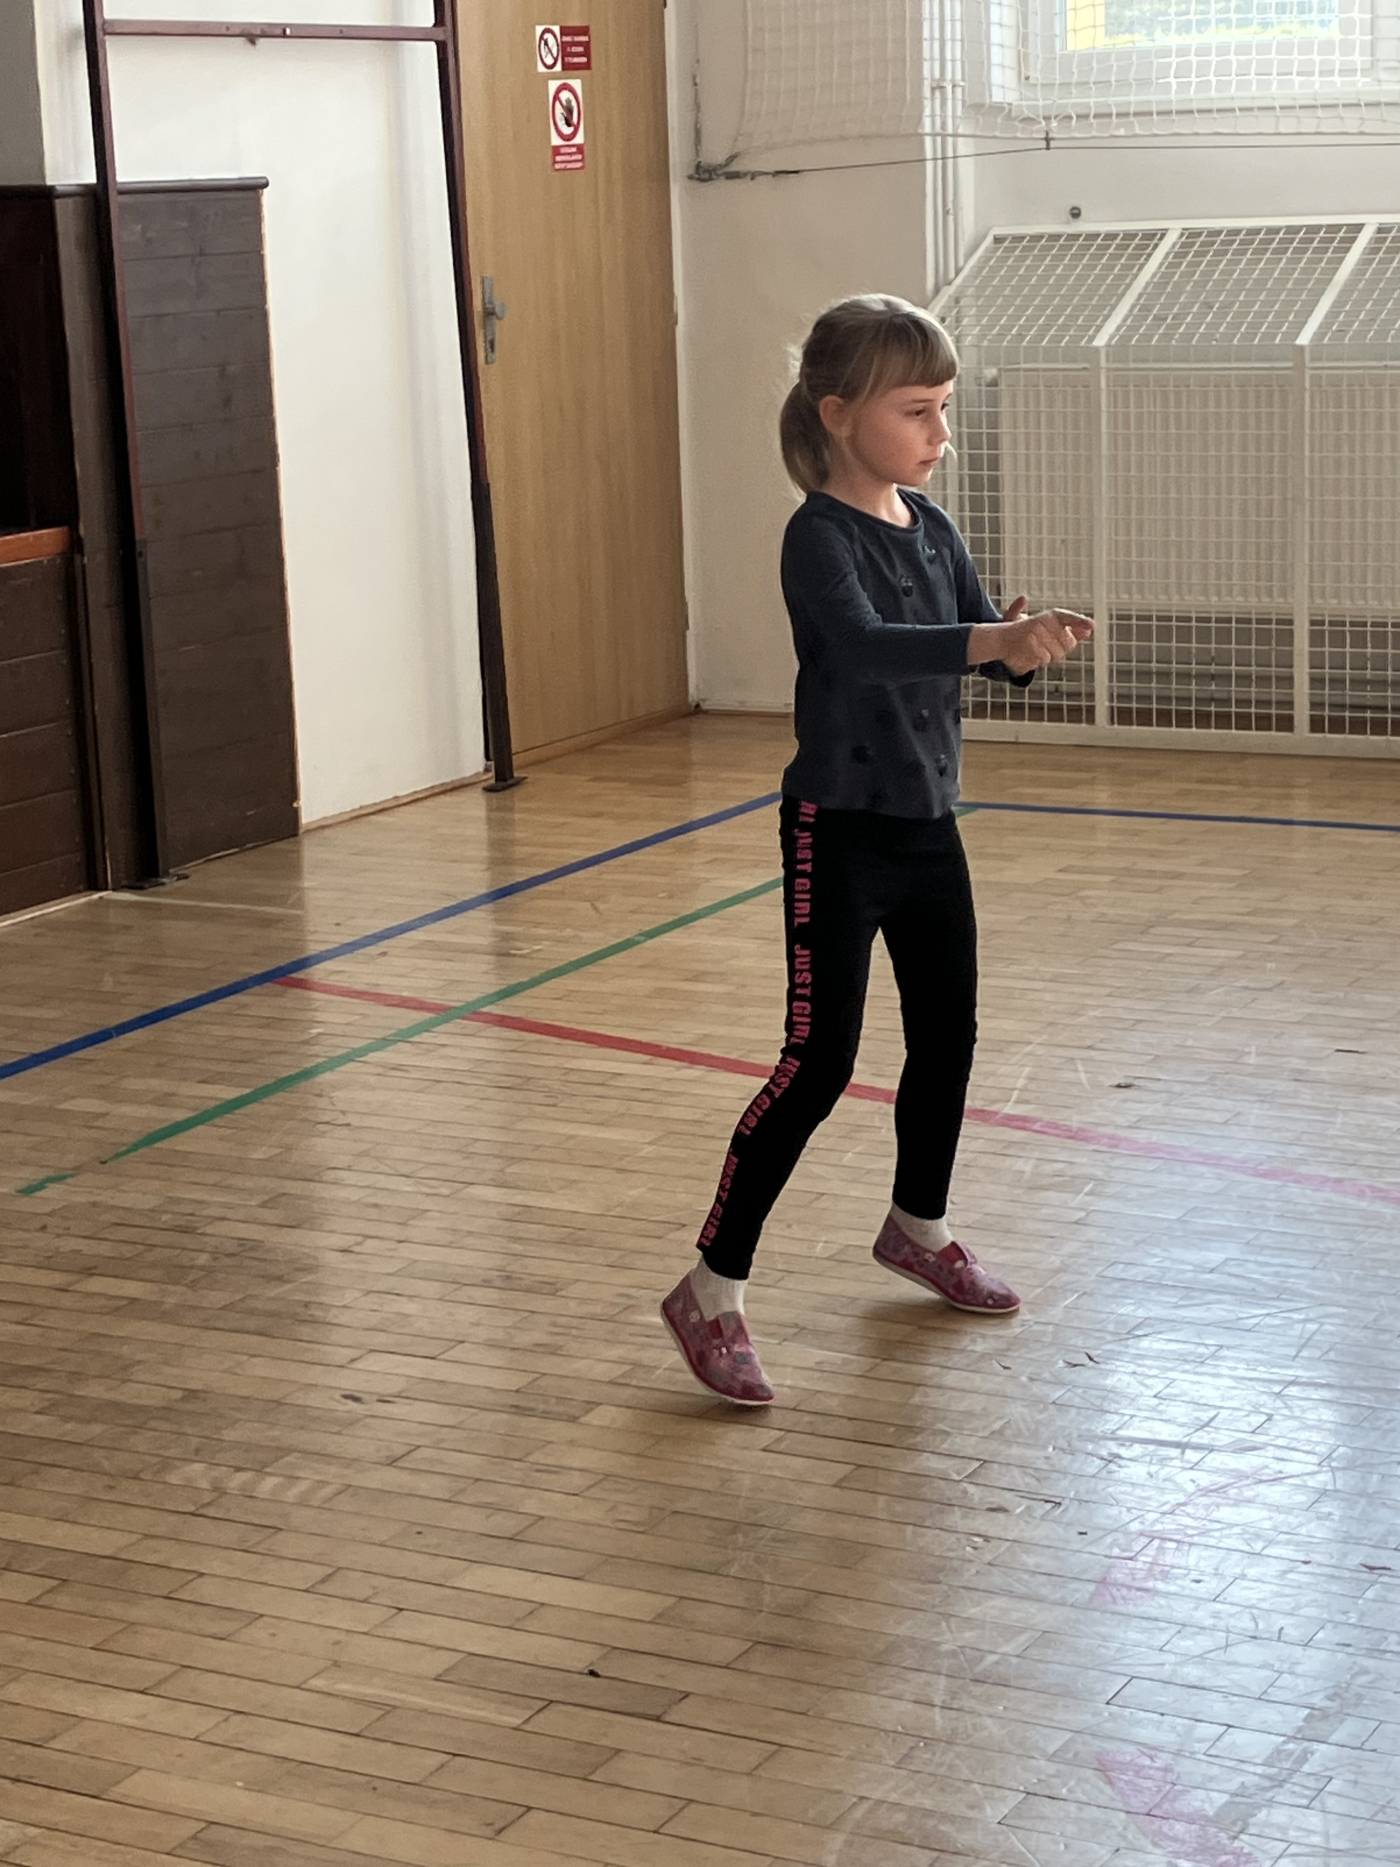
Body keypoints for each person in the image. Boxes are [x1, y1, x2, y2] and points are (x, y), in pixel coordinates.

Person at [661, 293, 1092, 1406]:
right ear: (838, 413)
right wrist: (987, 637)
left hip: (928, 828)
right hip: (840, 832)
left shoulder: (930, 525)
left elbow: (973, 643)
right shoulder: (818, 536)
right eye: (916, 410)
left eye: (944, 408)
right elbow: (863, 648)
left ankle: (917, 1226)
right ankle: (710, 1289)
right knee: (817, 1063)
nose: (939, 433)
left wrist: (1020, 646)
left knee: (947, 1037)